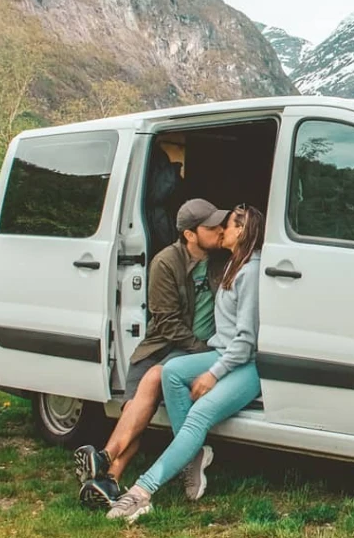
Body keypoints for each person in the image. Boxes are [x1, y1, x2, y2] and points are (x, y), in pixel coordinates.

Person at [107, 205, 264, 522]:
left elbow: (246, 343)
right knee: (170, 372)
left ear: (242, 231)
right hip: (222, 353)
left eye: (228, 225)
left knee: (199, 414)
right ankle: (193, 457)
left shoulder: (250, 272)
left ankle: (141, 491)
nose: (222, 230)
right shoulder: (234, 262)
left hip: (246, 364)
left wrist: (212, 374)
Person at [75, 198, 230, 508]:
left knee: (152, 383)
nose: (220, 230)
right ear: (190, 234)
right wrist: (200, 351)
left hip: (189, 352)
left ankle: (106, 466)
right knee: (137, 407)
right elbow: (168, 323)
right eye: (212, 226)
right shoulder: (165, 263)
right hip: (164, 346)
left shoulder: (220, 261)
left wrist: (202, 354)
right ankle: (109, 477)